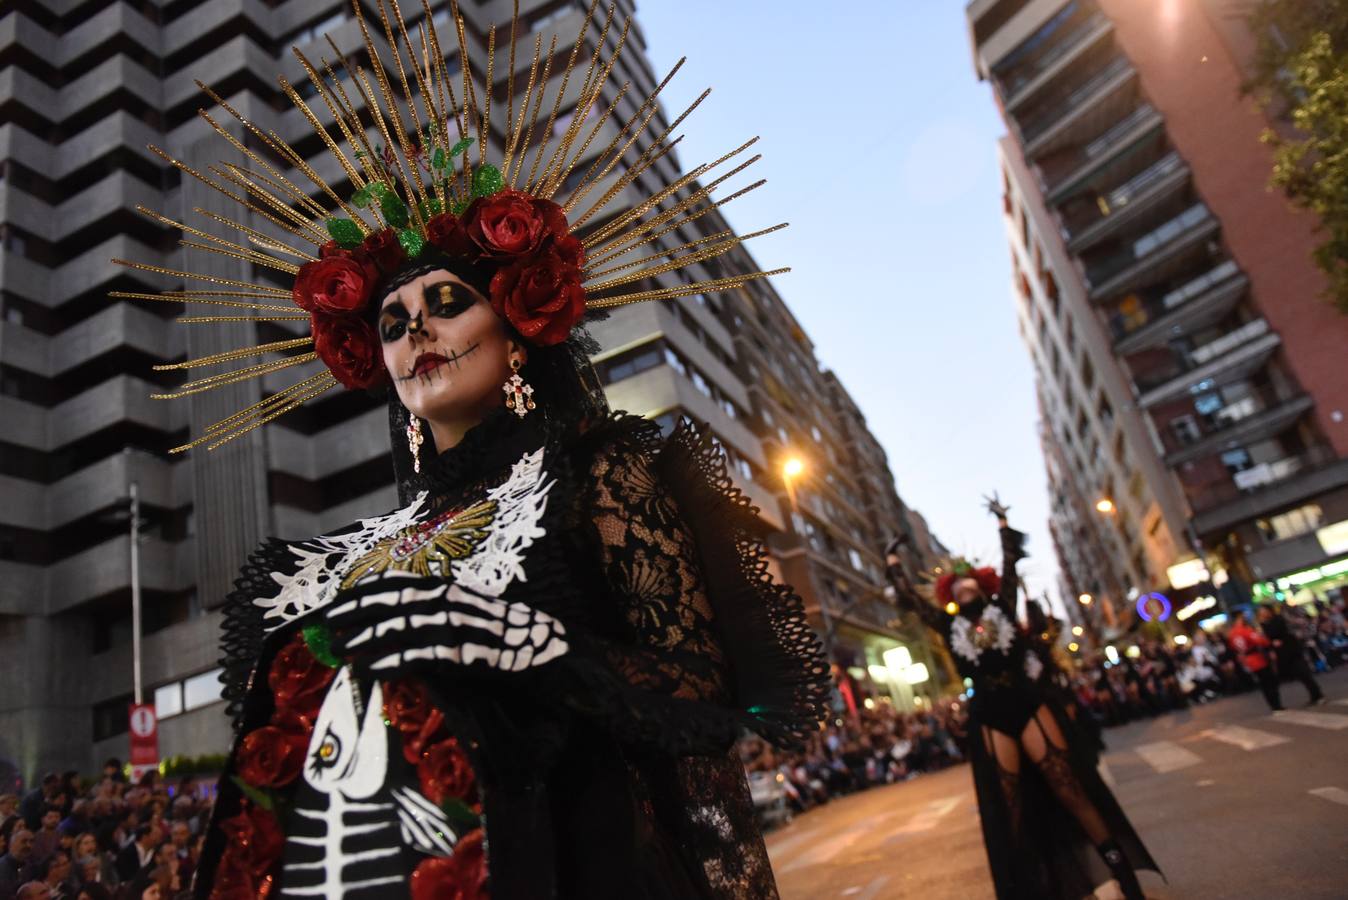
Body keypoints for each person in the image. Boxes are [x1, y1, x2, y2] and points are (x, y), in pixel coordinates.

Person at [126, 3, 828, 897]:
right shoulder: (361, 554)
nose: (416, 329)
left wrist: (519, 642)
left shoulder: (604, 473)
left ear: (518, 326)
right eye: (391, 322)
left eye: (447, 303)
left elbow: (707, 691)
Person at [886, 496, 1158, 900]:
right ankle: (1028, 889)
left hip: (1026, 701)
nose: (964, 584)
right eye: (958, 584)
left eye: (971, 580)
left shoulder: (1003, 607)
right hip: (989, 714)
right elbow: (909, 599)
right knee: (1009, 804)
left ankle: (1122, 871)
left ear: (982, 585)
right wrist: (893, 564)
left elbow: (1011, 567)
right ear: (950, 595)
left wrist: (1002, 524)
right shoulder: (947, 624)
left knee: (1068, 787)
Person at [1258, 604, 1326, 706]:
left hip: (1292, 650)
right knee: (1300, 675)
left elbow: (1276, 633)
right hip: (1283, 653)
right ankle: (1314, 695)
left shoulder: (1279, 619)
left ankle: (1318, 695)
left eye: (1263, 611)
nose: (1262, 614)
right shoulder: (1265, 623)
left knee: (1304, 673)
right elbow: (1268, 638)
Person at [1228, 611, 1282, 711]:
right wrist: (1268, 642)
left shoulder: (1232, 633)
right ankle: (1276, 705)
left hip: (1248, 661)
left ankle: (1273, 705)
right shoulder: (1244, 630)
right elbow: (1259, 640)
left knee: (1263, 684)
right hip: (1257, 658)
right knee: (1269, 682)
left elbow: (1233, 648)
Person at [0, 829, 36, 898]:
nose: (29, 845)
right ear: (11, 844)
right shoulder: (2, 867)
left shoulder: (30, 865)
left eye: (31, 841)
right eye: (24, 841)